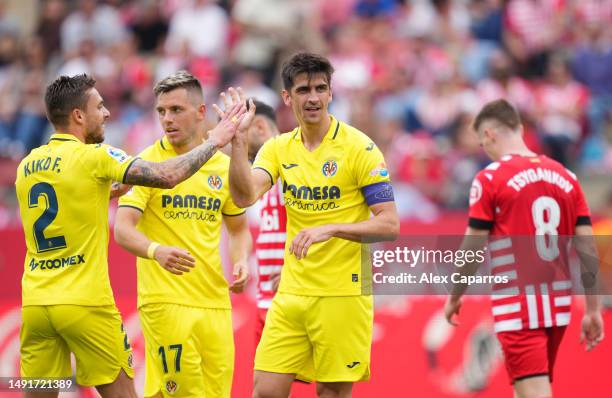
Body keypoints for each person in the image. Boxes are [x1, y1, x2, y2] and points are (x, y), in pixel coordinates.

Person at [15, 73, 244, 398]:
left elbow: (80, 194)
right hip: (85, 304)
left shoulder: (28, 165)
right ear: (79, 116)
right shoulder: (95, 157)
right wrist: (215, 140)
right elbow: (167, 175)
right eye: (100, 106)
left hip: (36, 304)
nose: (107, 113)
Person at [225, 52, 400, 398]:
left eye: (321, 88)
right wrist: (239, 142)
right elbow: (245, 197)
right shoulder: (277, 148)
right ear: (288, 98)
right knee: (265, 391)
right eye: (304, 90)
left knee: (331, 393)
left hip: (344, 294)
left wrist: (331, 228)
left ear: (331, 94)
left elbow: (390, 224)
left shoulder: (360, 148)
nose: (314, 97)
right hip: (291, 293)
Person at [444, 99, 604, 398]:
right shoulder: (567, 177)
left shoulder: (491, 178)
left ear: (490, 134)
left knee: (534, 392)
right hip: (558, 305)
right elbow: (587, 247)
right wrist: (593, 308)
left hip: (518, 304)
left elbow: (473, 244)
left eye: (482, 143)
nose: (485, 151)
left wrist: (455, 294)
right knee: (528, 387)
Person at [114, 71, 252, 398]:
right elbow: (122, 228)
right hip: (165, 301)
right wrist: (155, 251)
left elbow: (237, 228)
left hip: (214, 302)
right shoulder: (147, 163)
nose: (167, 119)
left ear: (201, 113)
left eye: (176, 110)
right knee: (187, 393)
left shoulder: (221, 166)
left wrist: (241, 259)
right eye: (161, 111)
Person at [245, 99, 286, 346]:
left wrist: (294, 271)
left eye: (238, 136)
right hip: (268, 298)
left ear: (259, 127)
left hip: (296, 295)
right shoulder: (261, 175)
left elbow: (321, 222)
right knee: (265, 385)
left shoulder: (292, 162)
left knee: (329, 384)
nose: (234, 146)